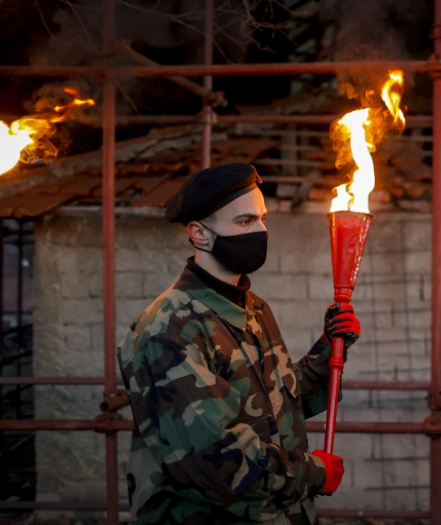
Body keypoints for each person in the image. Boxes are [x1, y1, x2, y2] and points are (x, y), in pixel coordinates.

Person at [117, 163, 359, 525]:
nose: (260, 231)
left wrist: (329, 349)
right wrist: (312, 473)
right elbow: (217, 462)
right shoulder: (167, 330)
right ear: (199, 233)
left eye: (262, 219)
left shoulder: (253, 308)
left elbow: (280, 406)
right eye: (244, 222)